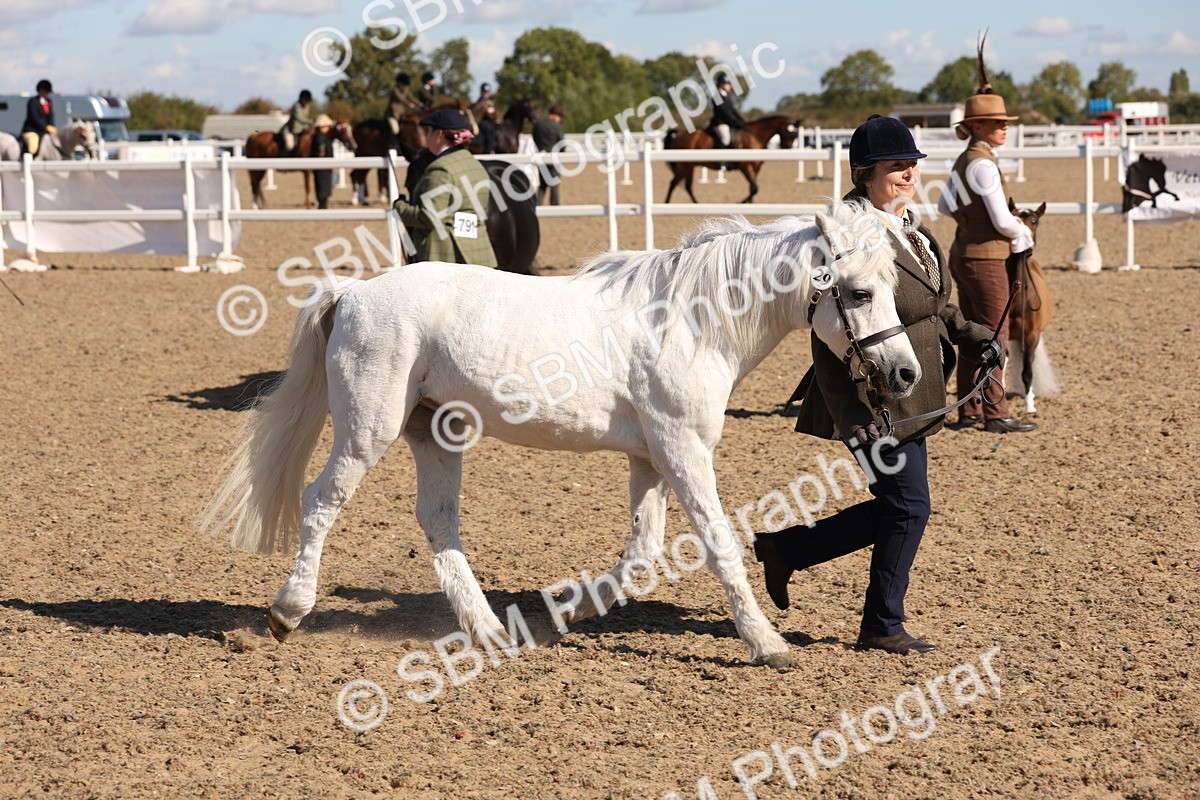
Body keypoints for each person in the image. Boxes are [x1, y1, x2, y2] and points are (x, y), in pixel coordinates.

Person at [754, 114, 1003, 655]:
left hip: (917, 391)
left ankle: (787, 550)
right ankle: (881, 624)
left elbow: (936, 306)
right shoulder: (843, 239)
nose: (909, 173)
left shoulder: (911, 227)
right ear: (865, 173)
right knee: (909, 506)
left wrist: (976, 338)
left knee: (899, 507)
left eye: (912, 164)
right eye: (896, 166)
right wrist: (854, 419)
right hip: (871, 399)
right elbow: (827, 335)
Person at [937, 72, 1037, 433]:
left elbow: (944, 205)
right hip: (986, 259)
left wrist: (968, 220)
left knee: (972, 333)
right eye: (997, 123)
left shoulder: (966, 159)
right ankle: (996, 413)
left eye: (1004, 122)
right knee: (995, 335)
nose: (1004, 127)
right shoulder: (984, 164)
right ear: (977, 126)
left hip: (962, 254)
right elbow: (1002, 220)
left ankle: (970, 409)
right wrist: (1022, 230)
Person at [392, 108, 497, 267]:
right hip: (479, 253)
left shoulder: (440, 169)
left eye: (429, 132)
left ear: (439, 134)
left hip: (446, 255)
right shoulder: (474, 163)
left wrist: (400, 206)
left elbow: (429, 217)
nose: (427, 137)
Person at [708, 73, 745, 170]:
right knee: (726, 138)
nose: (729, 86)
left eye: (729, 83)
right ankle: (719, 160)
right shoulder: (717, 97)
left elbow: (733, 110)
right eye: (727, 83)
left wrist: (742, 121)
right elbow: (724, 113)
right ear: (721, 84)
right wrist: (735, 122)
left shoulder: (727, 96)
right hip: (720, 123)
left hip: (728, 123)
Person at [532, 105, 565, 206]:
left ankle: (538, 204)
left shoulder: (538, 125)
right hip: (554, 159)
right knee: (554, 184)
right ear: (557, 116)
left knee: (542, 184)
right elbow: (562, 144)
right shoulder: (557, 126)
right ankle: (554, 205)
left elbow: (534, 138)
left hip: (541, 157)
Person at [21, 79, 56, 156]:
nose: (47, 94)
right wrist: (45, 126)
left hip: (45, 131)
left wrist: (52, 126)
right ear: (41, 90)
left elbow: (51, 115)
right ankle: (29, 159)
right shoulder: (33, 102)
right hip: (32, 130)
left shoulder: (49, 102)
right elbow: (35, 117)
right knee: (33, 146)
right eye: (46, 91)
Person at [310, 114, 336, 210]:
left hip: (324, 167)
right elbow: (321, 149)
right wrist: (322, 152)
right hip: (322, 168)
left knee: (323, 189)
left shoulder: (322, 136)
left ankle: (323, 207)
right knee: (322, 189)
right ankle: (322, 208)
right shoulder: (320, 136)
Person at [387, 72, 420, 145]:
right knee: (395, 130)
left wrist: (420, 104)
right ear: (399, 83)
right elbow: (401, 99)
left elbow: (412, 98)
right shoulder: (395, 90)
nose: (404, 86)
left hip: (401, 114)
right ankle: (392, 146)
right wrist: (409, 104)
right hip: (392, 115)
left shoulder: (406, 89)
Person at [281, 89, 315, 156]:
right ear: (301, 99)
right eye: (306, 100)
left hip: (301, 129)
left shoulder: (307, 106)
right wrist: (311, 121)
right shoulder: (296, 106)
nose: (307, 102)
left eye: (308, 101)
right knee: (290, 145)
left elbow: (306, 118)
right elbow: (300, 118)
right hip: (290, 130)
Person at [472, 82, 497, 154]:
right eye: (484, 91)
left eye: (487, 92)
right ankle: (489, 149)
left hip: (491, 121)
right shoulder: (479, 101)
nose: (486, 93)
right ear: (481, 92)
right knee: (487, 127)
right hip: (482, 121)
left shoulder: (490, 102)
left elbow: (493, 112)